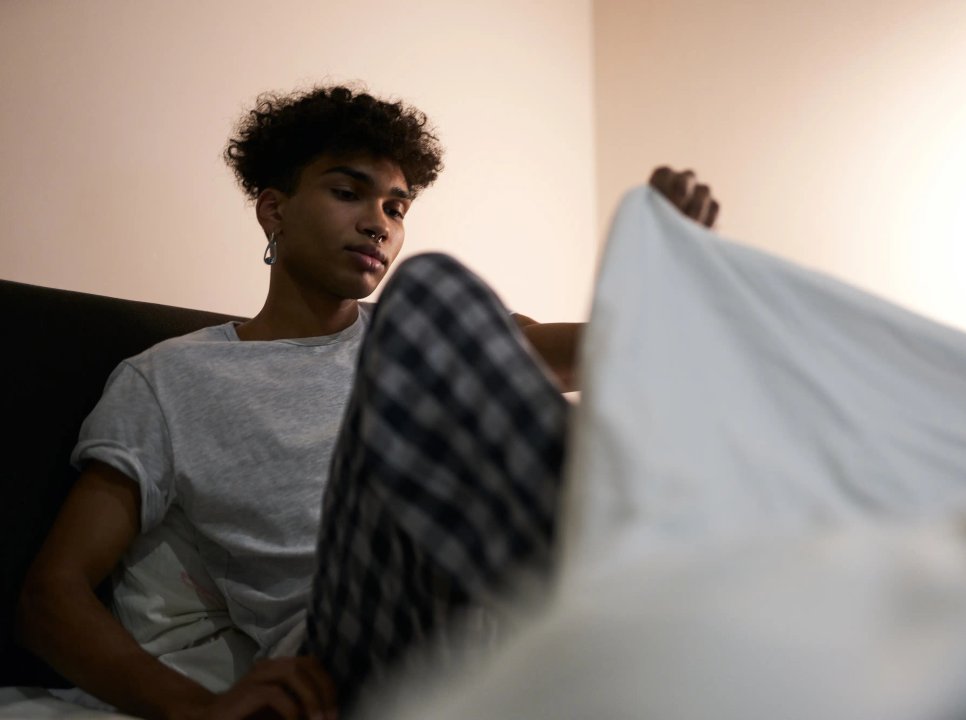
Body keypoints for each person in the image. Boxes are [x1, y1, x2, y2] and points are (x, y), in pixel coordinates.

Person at [15, 84, 720, 720]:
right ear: (275, 210)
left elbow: (604, 354)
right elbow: (54, 593)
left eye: (396, 205)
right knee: (433, 291)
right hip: (346, 653)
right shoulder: (169, 379)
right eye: (348, 192)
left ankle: (625, 592)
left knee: (458, 323)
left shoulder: (430, 342)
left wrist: (664, 281)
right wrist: (199, 709)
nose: (379, 222)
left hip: (488, 621)